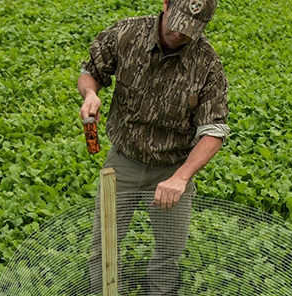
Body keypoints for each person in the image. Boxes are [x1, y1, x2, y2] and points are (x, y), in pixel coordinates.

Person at [78, 0, 229, 294]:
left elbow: (214, 131)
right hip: (124, 160)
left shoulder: (207, 64)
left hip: (173, 168)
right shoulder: (126, 35)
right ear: (165, 4)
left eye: (190, 29)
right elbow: (91, 71)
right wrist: (90, 93)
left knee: (169, 254)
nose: (180, 33)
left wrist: (181, 177)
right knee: (103, 248)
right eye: (178, 21)